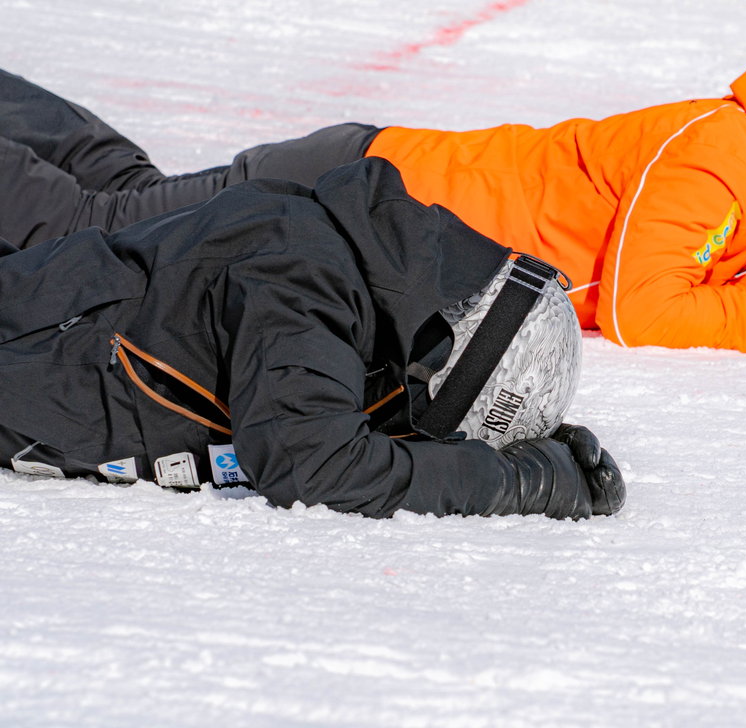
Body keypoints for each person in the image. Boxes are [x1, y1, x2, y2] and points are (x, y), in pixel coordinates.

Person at [0, 56, 746, 353]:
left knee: (117, 199)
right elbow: (643, 306)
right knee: (94, 232)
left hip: (363, 197)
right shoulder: (723, 161)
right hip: (355, 194)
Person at [0, 157, 626, 520]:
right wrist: (522, 484)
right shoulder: (301, 278)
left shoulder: (371, 280)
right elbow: (315, 468)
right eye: (451, 421)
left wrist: (517, 447)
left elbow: (336, 405)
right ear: (450, 359)